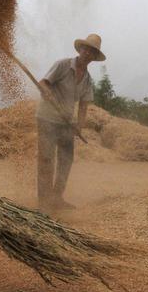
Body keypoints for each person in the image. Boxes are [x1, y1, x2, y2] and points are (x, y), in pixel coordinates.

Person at [36, 34, 106, 211]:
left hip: (66, 122)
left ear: (94, 57)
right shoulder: (63, 65)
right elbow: (43, 83)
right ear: (80, 49)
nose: (88, 53)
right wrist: (47, 92)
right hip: (47, 118)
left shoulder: (87, 80)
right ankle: (44, 200)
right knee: (46, 158)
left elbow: (83, 106)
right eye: (86, 49)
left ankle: (57, 197)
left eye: (92, 52)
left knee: (66, 159)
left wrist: (79, 126)